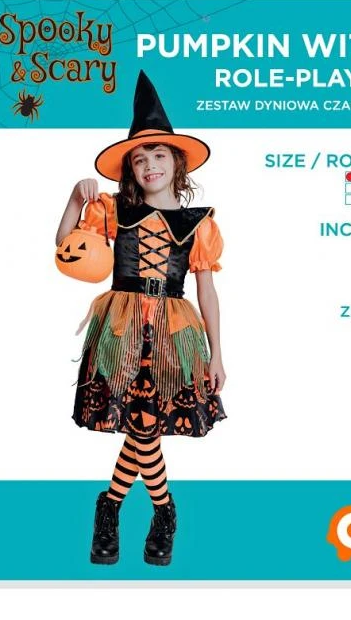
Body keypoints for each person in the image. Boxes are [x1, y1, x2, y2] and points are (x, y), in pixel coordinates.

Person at [55, 70, 227, 566]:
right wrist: (74, 200)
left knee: (144, 425)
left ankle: (111, 506)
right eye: (139, 158)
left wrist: (217, 353)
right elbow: (65, 247)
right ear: (130, 169)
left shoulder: (200, 224)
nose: (150, 164)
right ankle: (162, 510)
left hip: (173, 332)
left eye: (158, 155)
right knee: (142, 424)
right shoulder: (113, 211)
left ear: (177, 163)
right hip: (121, 327)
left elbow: (207, 289)